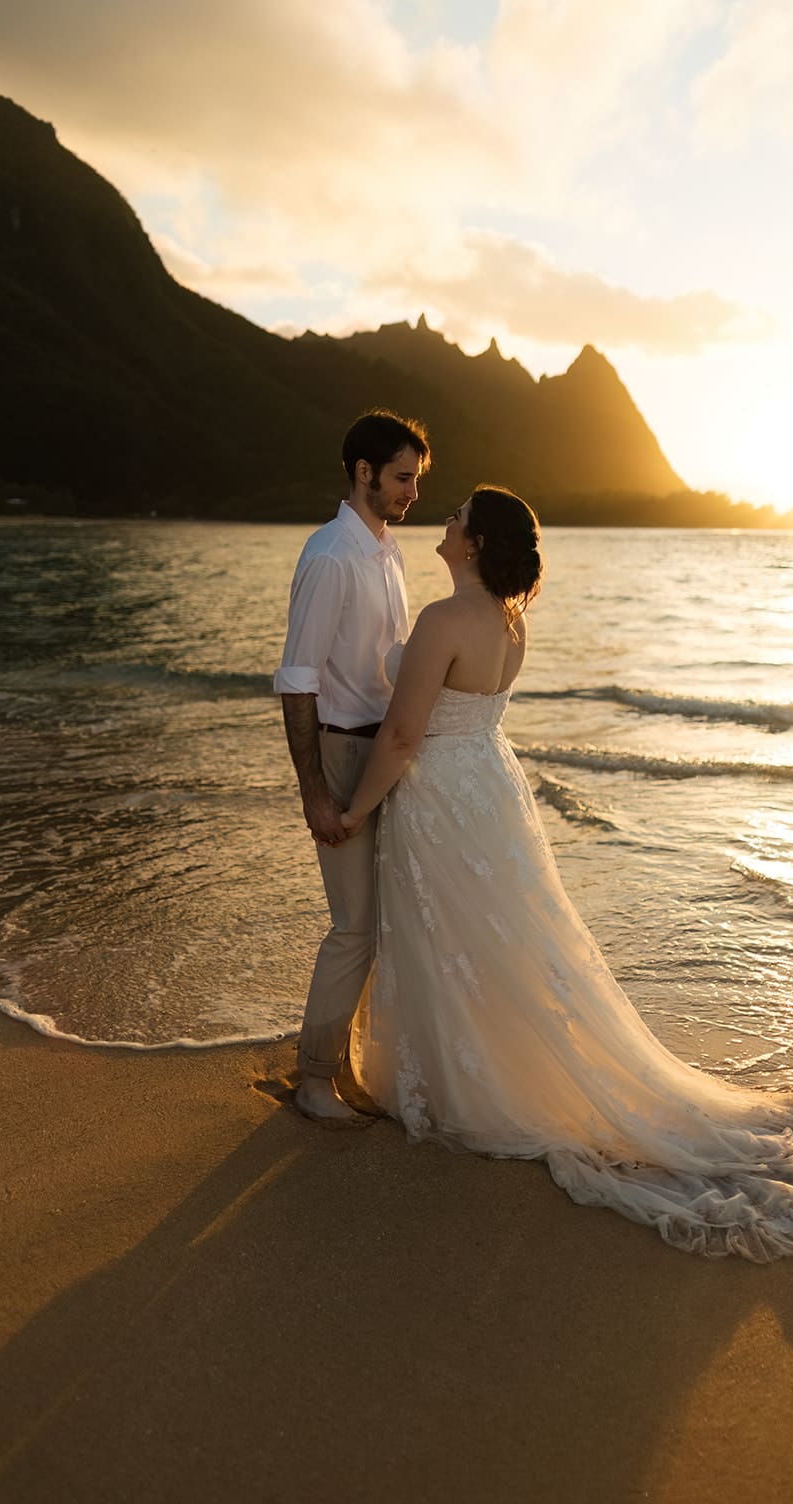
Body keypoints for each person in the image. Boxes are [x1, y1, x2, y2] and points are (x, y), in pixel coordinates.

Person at [336, 485, 793, 1262]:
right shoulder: (508, 623)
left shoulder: (444, 619)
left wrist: (352, 810)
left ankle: (467, 1085)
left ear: (477, 542)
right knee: (505, 943)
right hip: (488, 785)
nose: (445, 521)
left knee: (452, 937)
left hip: (442, 797)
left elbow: (400, 737)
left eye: (457, 516)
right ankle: (490, 1066)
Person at [274, 409, 431, 1123]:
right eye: (402, 478)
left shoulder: (386, 550)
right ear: (363, 472)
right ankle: (312, 1079)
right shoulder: (331, 555)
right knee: (353, 925)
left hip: (383, 751)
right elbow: (297, 678)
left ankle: (347, 1064)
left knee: (384, 920)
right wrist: (312, 788)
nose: (412, 493)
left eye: (417, 480)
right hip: (340, 749)